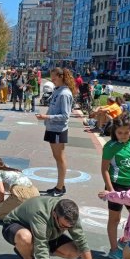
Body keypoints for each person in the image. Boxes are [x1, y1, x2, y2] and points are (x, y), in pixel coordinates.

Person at [2, 197, 112, 259]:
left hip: (47, 232)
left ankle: (31, 248)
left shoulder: (71, 215)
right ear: (55, 215)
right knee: (25, 238)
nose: (65, 229)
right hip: (16, 226)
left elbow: (82, 244)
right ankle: (27, 258)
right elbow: (43, 256)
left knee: (75, 252)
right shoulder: (40, 214)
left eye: (68, 227)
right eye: (63, 226)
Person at [100, 114, 130, 259]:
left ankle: (124, 239)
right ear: (114, 131)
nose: (123, 136)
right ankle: (114, 250)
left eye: (126, 132)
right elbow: (104, 169)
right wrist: (111, 190)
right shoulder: (110, 147)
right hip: (116, 186)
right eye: (120, 133)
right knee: (114, 219)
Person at [35, 68, 75, 197]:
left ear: (61, 77)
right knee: (57, 158)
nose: (52, 81)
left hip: (58, 129)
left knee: (60, 158)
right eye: (51, 78)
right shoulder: (58, 90)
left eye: (54, 78)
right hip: (52, 128)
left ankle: (60, 187)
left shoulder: (64, 93)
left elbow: (65, 115)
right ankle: (59, 185)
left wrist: (46, 117)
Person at [0, 156, 40, 220]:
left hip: (21, 194)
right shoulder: (12, 170)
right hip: (35, 193)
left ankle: (21, 219)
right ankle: (26, 213)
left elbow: (1, 190)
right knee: (14, 204)